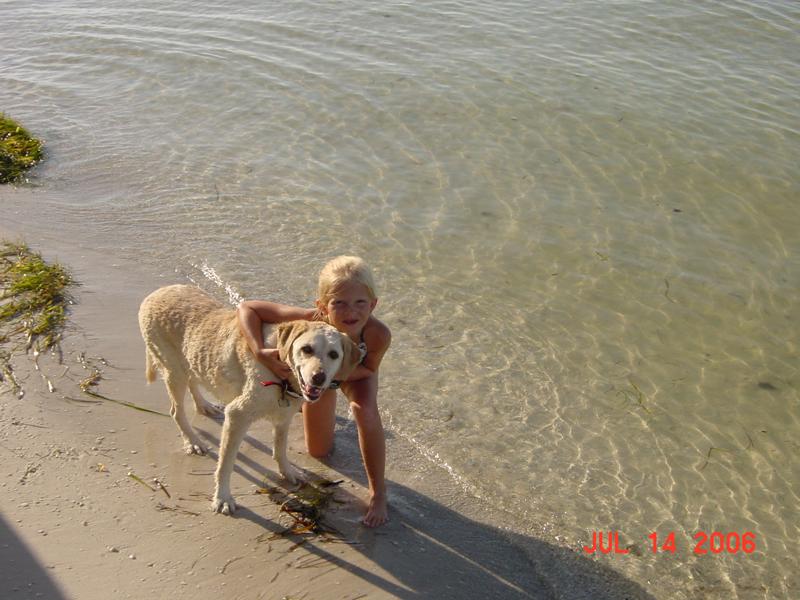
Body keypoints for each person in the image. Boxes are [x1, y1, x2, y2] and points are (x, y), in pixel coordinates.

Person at [237, 256, 391, 527]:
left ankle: (378, 492)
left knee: (364, 410)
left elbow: (368, 368)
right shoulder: (310, 320)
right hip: (319, 375)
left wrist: (337, 376)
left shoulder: (377, 334)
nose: (350, 312)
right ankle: (303, 402)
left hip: (355, 372)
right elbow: (248, 308)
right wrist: (259, 351)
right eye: (339, 303)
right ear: (321, 306)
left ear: (374, 304)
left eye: (360, 303)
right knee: (319, 452)